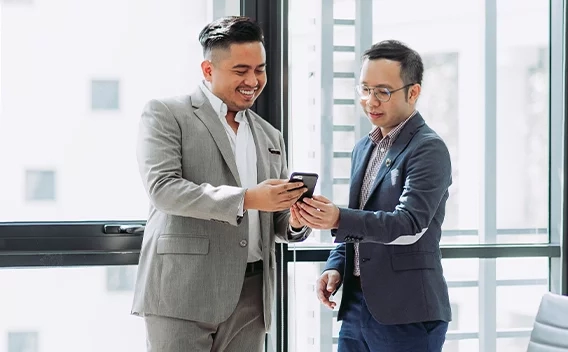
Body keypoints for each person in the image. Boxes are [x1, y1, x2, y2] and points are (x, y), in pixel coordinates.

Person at [132, 16, 311, 352]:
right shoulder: (167, 114)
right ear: (208, 70)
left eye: (260, 69)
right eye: (240, 70)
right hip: (183, 292)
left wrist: (297, 220)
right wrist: (247, 198)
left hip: (253, 295)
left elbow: (275, 221)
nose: (253, 80)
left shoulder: (270, 135)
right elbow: (164, 189)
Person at [293, 40, 452, 351]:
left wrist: (338, 218)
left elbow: (409, 224)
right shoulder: (364, 147)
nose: (370, 101)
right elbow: (360, 221)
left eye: (383, 91)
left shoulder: (428, 148)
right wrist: (335, 265)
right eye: (364, 89)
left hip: (407, 313)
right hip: (355, 306)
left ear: (413, 92)